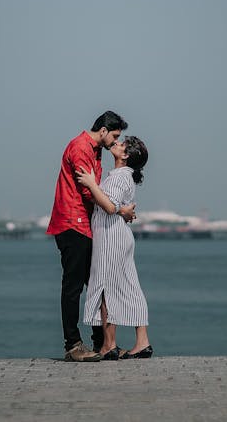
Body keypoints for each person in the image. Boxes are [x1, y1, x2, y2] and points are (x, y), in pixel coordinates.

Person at [46, 111, 135, 362]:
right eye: (115, 136)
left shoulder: (94, 150)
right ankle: (73, 345)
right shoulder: (80, 148)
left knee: (95, 283)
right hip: (71, 223)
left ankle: (101, 344)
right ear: (104, 131)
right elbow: (89, 192)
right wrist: (118, 209)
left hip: (84, 224)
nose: (115, 141)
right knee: (73, 286)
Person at [75, 135, 153, 360]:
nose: (116, 144)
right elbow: (115, 206)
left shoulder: (120, 177)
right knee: (129, 286)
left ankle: (109, 345)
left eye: (121, 144)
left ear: (125, 155)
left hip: (110, 236)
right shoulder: (123, 177)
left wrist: (90, 183)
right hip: (118, 235)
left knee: (106, 287)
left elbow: (109, 206)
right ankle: (142, 342)